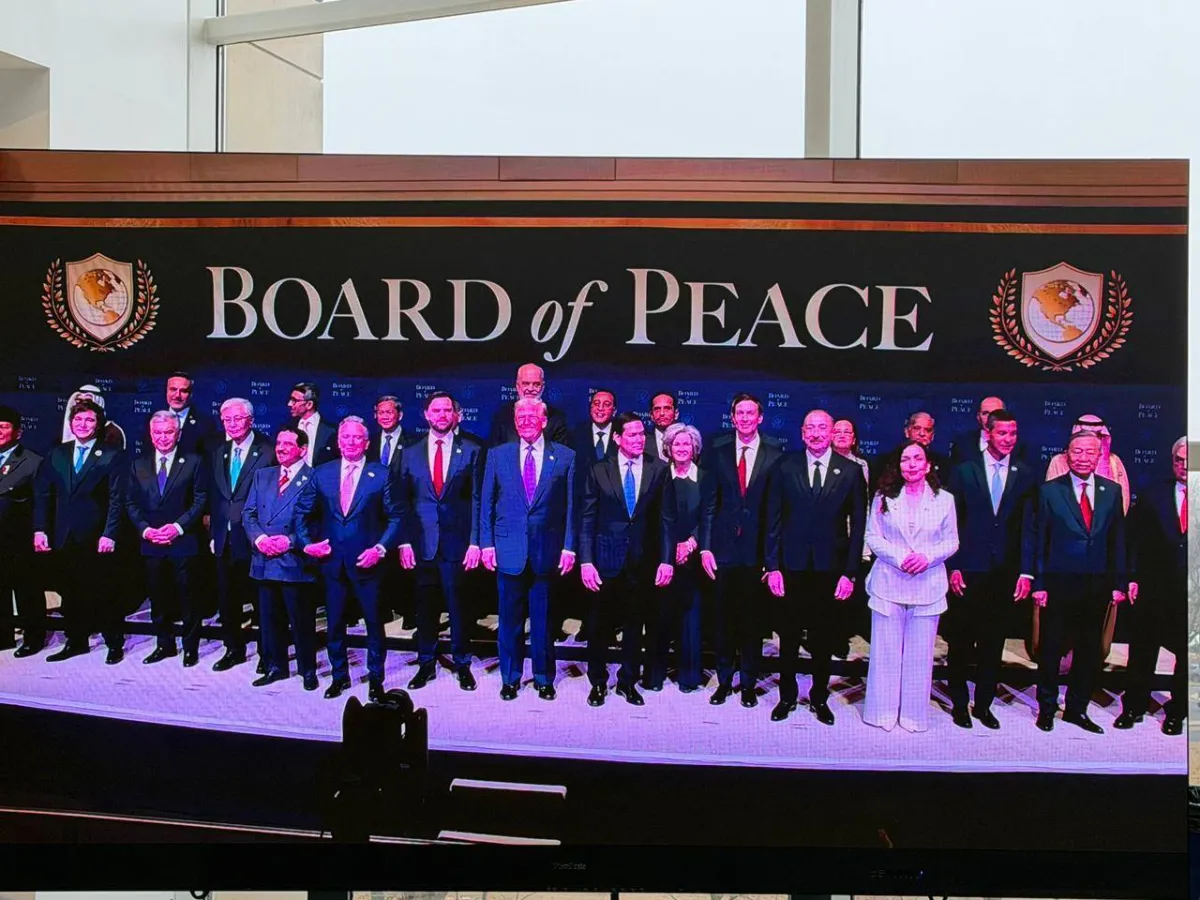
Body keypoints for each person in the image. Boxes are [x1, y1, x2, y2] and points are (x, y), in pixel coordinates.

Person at [763, 410, 867, 725]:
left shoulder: (850, 471)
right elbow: (772, 520)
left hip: (830, 569)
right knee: (788, 636)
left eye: (822, 427)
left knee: (824, 637)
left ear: (832, 432)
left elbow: (858, 527)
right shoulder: (784, 466)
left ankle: (819, 697)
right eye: (810, 427)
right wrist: (772, 566)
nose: (816, 433)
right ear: (802, 432)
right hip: (790, 567)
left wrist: (850, 573)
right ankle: (786, 696)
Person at [296, 417, 402, 701]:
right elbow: (302, 513)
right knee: (334, 624)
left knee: (373, 624)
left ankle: (376, 679)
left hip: (368, 563)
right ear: (338, 441)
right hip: (332, 563)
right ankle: (339, 676)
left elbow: (396, 517)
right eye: (346, 437)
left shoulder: (382, 474)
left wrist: (379, 549)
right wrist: (308, 545)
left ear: (366, 443)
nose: (350, 442)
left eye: (357, 438)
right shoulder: (322, 473)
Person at [944, 409, 1037, 729]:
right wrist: (953, 566)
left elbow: (1029, 527)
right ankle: (959, 703)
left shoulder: (1026, 474)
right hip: (968, 570)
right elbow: (951, 522)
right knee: (960, 641)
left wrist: (1026, 572)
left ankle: (983, 705)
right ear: (988, 434)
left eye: (1013, 434)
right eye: (1002, 433)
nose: (1008, 439)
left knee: (992, 642)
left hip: (1004, 573)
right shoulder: (964, 471)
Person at [1032, 431, 1130, 733]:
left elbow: (1117, 540)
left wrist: (1119, 582)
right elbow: (1038, 540)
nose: (1084, 458)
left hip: (1097, 585)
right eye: (1077, 452)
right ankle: (1047, 708)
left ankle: (1077, 709)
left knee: (1088, 651)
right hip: (1058, 584)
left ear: (1099, 455)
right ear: (1066, 454)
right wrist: (1039, 584)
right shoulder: (1049, 491)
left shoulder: (1112, 491)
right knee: (1051, 648)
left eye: (1090, 452)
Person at [480, 398, 577, 701]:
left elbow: (572, 507)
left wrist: (569, 547)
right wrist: (486, 544)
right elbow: (486, 503)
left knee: (544, 623)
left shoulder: (566, 456)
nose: (525, 421)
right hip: (508, 550)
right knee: (509, 622)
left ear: (544, 421)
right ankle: (510, 678)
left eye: (531, 416)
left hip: (546, 552)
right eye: (520, 416)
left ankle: (544, 678)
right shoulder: (498, 455)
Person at [862, 441, 959, 733]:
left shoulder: (945, 500)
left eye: (918, 459)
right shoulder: (883, 497)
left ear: (928, 465)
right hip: (889, 581)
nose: (912, 464)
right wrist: (899, 557)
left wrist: (927, 557)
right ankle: (881, 713)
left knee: (919, 656)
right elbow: (872, 536)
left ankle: (914, 716)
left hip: (927, 585)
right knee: (885, 652)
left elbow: (952, 541)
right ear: (898, 465)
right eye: (905, 459)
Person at [579, 412, 674, 707]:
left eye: (641, 434)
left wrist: (666, 560)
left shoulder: (659, 469)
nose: (638, 439)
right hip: (604, 560)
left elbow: (666, 520)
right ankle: (598, 682)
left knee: (635, 625)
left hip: (642, 561)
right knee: (599, 625)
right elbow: (587, 518)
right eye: (631, 435)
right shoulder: (599, 469)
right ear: (618, 438)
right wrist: (586, 561)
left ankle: (627, 682)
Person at [396, 391, 485, 692]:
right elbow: (401, 502)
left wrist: (475, 542)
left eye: (448, 410)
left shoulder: (472, 450)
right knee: (425, 609)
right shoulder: (409, 452)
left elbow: (478, 500)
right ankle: (426, 663)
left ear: (456, 415)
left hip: (457, 544)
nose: (442, 415)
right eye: (436, 410)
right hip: (421, 544)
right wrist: (404, 542)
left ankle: (462, 663)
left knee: (459, 607)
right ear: (426, 415)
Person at [699, 392, 783, 708]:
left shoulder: (775, 452)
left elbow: (776, 511)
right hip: (722, 551)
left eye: (751, 413)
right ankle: (724, 681)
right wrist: (705, 548)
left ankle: (748, 683)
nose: (745, 418)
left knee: (752, 622)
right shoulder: (717, 450)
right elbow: (708, 504)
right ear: (732, 418)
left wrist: (772, 560)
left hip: (757, 552)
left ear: (760, 417)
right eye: (740, 413)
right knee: (723, 621)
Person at [34, 398, 128, 663]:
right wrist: (40, 529)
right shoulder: (58, 454)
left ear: (98, 424)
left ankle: (114, 643)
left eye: (89, 420)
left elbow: (117, 499)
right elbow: (43, 495)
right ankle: (76, 642)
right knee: (70, 592)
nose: (83, 424)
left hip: (98, 537)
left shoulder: (113, 454)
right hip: (64, 536)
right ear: (71, 422)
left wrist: (110, 533)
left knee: (105, 592)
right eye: (78, 419)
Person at [1115, 436, 1188, 736]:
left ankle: (1178, 710)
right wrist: (1131, 577)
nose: (1184, 466)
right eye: (1179, 460)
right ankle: (1134, 706)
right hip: (1154, 587)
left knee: (1189, 655)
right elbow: (1134, 539)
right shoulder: (1153, 495)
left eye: (1190, 460)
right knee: (1143, 649)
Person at [128, 411, 210, 667]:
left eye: (168, 432)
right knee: (158, 597)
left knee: (188, 597)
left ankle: (190, 647)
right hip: (152, 542)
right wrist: (146, 530)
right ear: (150, 434)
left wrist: (177, 527)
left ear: (178, 433)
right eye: (158, 433)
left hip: (184, 542)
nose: (163, 437)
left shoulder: (195, 462)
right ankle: (164, 645)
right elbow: (131, 503)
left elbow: (200, 500)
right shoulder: (138, 464)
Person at [242, 425, 318, 690]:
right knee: (268, 620)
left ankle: (308, 670)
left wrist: (290, 541)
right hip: (264, 559)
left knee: (301, 621)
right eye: (279, 443)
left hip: (294, 561)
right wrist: (260, 540)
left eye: (288, 444)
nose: (281, 448)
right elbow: (249, 514)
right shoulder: (263, 475)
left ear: (303, 449)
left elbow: (318, 521)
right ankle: (276, 667)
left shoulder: (314, 478)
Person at [208, 398, 276, 674]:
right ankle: (233, 650)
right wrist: (214, 533)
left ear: (251, 420)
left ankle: (266, 653)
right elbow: (216, 497)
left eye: (238, 418)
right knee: (228, 601)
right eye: (227, 419)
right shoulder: (219, 451)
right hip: (224, 539)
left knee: (262, 602)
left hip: (255, 539)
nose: (232, 424)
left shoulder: (268, 451)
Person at [649, 423, 713, 694]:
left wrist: (691, 544)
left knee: (691, 619)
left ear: (695, 448)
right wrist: (670, 549)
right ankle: (654, 675)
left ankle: (688, 676)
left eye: (687, 444)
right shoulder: (659, 475)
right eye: (677, 444)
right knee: (659, 616)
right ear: (668, 448)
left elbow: (710, 515)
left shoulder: (706, 477)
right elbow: (654, 517)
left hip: (694, 559)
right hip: (663, 557)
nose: (682, 448)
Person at [0, 406, 44, 655]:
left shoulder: (32, 461)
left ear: (17, 432)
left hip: (19, 537)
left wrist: (39, 531)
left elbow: (41, 502)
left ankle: (34, 638)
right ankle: (3, 636)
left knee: (26, 589)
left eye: (4, 427)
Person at [1045, 415, 1131, 514]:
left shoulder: (1114, 461)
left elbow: (1123, 498)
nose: (1084, 458)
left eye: (1096, 434)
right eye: (1085, 434)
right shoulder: (1058, 461)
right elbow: (1053, 500)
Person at [489, 363, 569, 446]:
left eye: (536, 384)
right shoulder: (502, 417)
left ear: (543, 387)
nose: (530, 389)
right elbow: (495, 451)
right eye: (525, 383)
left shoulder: (557, 419)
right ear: (517, 386)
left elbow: (560, 452)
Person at [872, 411, 949, 490]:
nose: (922, 433)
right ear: (907, 432)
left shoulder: (944, 464)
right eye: (917, 428)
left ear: (932, 436)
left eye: (927, 430)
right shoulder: (886, 461)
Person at [161, 371, 219, 456]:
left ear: (191, 394)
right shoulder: (153, 419)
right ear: (166, 391)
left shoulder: (205, 424)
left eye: (183, 391)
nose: (177, 395)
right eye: (173, 389)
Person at [288, 382, 338, 467]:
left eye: (294, 401)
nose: (289, 404)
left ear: (309, 404)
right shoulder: (287, 428)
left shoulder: (332, 431)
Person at [61, 385, 126, 450]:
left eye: (87, 401)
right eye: (79, 400)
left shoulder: (113, 432)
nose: (82, 405)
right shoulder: (75, 426)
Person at [948, 396, 1009, 466]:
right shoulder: (961, 444)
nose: (990, 418)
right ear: (978, 417)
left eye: (996, 413)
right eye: (985, 413)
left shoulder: (1017, 448)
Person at [569, 389, 620, 465]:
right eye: (596, 403)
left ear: (614, 411)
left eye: (606, 404)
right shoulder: (576, 434)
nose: (600, 408)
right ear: (591, 408)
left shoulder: (622, 433)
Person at [369, 395, 405, 475]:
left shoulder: (414, 443)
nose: (385, 417)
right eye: (381, 413)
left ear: (400, 415)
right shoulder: (370, 442)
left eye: (389, 412)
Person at [831, 418, 870, 485]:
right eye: (837, 432)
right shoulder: (822, 461)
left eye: (846, 432)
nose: (842, 436)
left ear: (854, 440)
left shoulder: (861, 464)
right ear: (831, 437)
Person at [648, 392, 680, 461]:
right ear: (651, 415)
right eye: (657, 409)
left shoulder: (686, 442)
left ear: (676, 414)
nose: (662, 413)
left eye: (667, 408)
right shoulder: (642, 442)